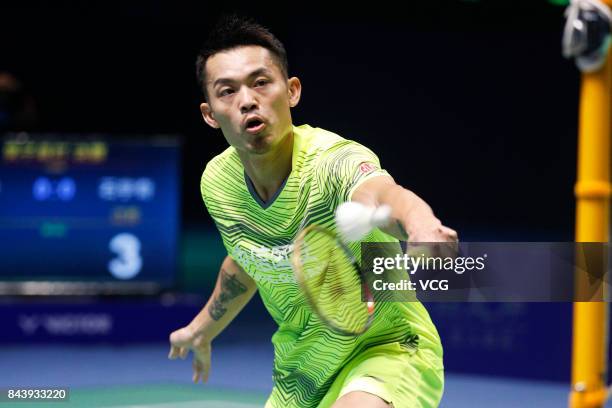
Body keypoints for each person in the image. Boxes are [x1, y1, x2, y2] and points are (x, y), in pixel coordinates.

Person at [168, 15, 457, 408]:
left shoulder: (331, 161)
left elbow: (384, 194)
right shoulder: (218, 184)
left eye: (260, 82)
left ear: (292, 91)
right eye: (228, 91)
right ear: (209, 114)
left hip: (389, 348)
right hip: (301, 374)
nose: (247, 100)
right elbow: (248, 263)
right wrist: (200, 330)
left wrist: (421, 224)